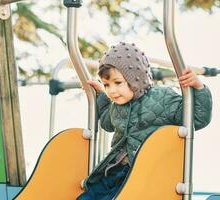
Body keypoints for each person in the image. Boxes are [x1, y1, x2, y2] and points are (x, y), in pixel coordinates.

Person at [77, 42, 212, 200]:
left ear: (136, 79)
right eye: (107, 85)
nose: (112, 91)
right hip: (116, 169)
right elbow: (107, 123)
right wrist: (100, 95)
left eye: (117, 83)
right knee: (87, 197)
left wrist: (198, 88)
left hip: (144, 173)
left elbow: (196, 119)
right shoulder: (117, 105)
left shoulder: (163, 98)